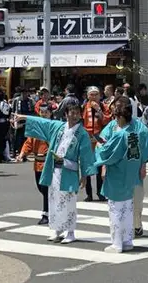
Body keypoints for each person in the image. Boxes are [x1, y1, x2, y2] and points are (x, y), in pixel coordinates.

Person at [16, 101, 96, 243]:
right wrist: (24, 117)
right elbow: (43, 123)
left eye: (77, 112)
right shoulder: (58, 127)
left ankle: (70, 232)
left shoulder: (82, 133)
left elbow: (85, 155)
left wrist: (84, 175)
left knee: (69, 201)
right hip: (55, 169)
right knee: (54, 200)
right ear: (66, 114)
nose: (75, 115)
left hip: (69, 170)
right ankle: (57, 229)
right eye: (72, 112)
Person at [93, 97, 148, 253]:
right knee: (127, 209)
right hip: (129, 175)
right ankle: (127, 240)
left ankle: (117, 243)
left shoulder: (123, 134)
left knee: (116, 210)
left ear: (121, 116)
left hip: (118, 176)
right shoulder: (130, 134)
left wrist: (101, 149)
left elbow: (108, 154)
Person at [20, 104, 52, 225]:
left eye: (46, 112)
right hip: (38, 162)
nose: (43, 114)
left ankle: (46, 213)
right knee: (41, 188)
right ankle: (50, 210)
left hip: (48, 162)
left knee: (45, 188)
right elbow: (29, 143)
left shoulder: (52, 126)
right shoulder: (36, 128)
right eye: (42, 112)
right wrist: (22, 154)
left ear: (50, 113)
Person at [81, 86, 109, 202]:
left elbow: (107, 121)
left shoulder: (103, 106)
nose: (93, 97)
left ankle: (100, 192)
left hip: (99, 140)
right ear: (87, 96)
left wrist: (99, 111)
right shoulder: (83, 107)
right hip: (87, 140)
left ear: (100, 95)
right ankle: (89, 194)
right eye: (91, 94)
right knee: (87, 167)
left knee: (99, 166)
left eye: (96, 94)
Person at [11, 87, 33, 160]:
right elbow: (12, 110)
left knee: (25, 138)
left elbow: (32, 111)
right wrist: (11, 118)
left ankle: (24, 154)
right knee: (17, 138)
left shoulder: (30, 101)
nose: (25, 94)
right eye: (24, 93)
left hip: (27, 121)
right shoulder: (16, 100)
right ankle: (15, 152)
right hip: (18, 121)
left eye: (27, 92)